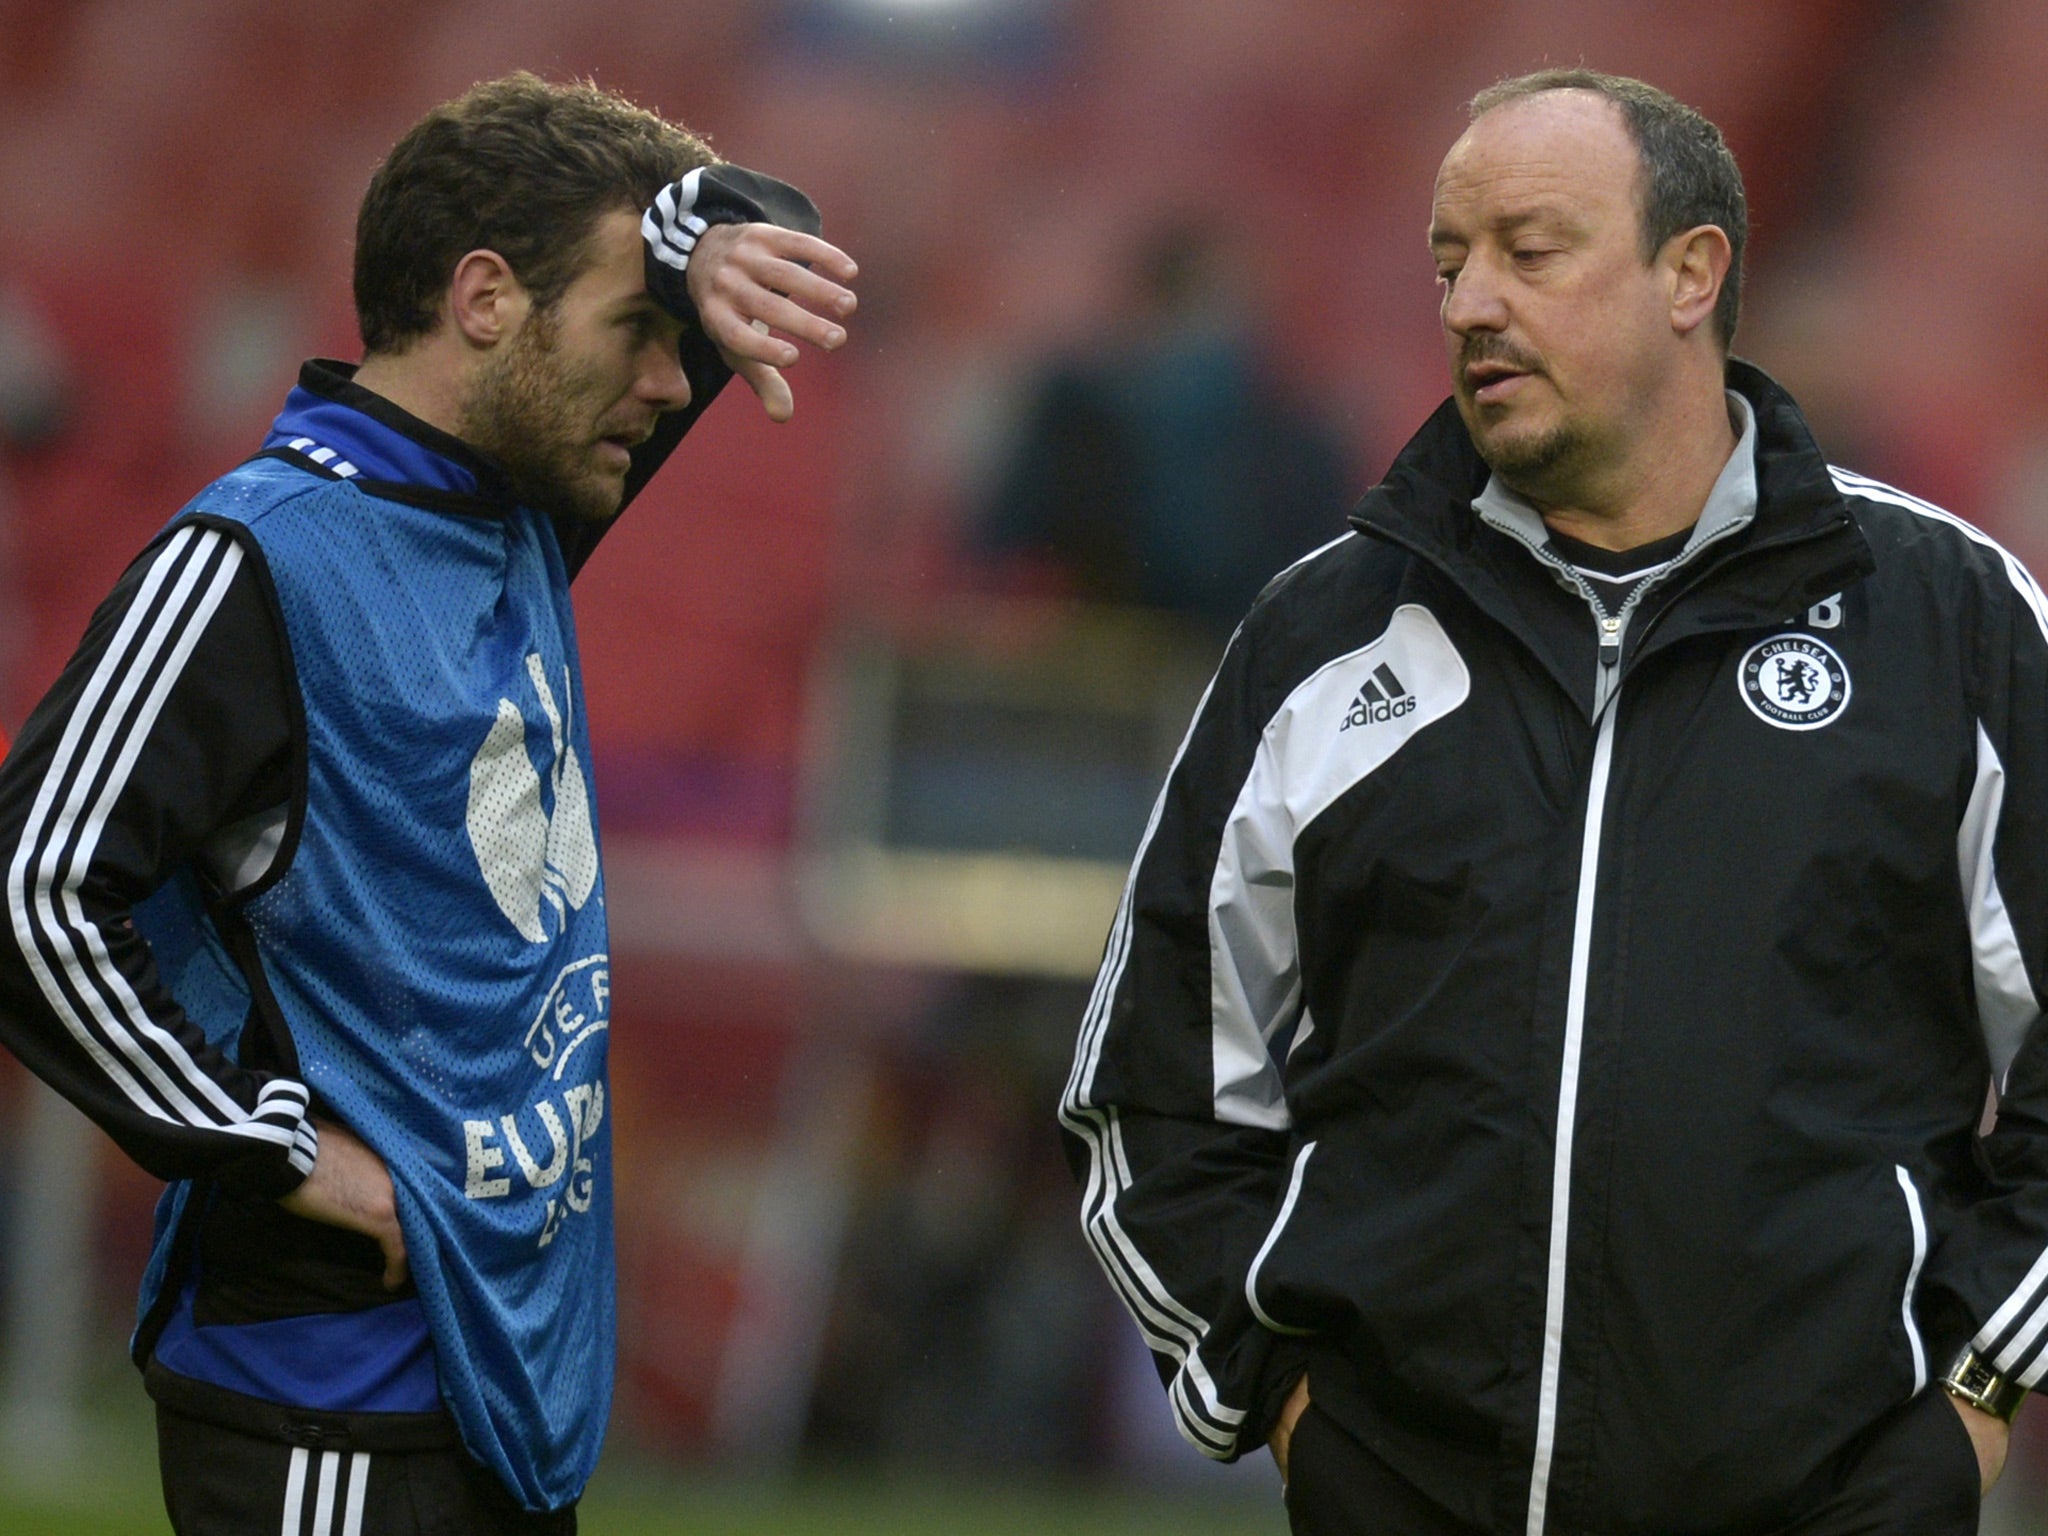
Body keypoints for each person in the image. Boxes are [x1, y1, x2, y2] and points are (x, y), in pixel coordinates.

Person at [1061, 68, 2042, 1535]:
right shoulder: (1321, 639)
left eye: (1530, 251)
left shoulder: (1950, 624)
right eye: (1450, 262)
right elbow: (1154, 1086)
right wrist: (1283, 1409)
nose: (1468, 304)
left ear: (1690, 275)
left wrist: (1962, 1406)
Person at [0, 72, 856, 1533]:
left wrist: (689, 243)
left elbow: (777, 231)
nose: (670, 381)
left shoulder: (516, 506)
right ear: (484, 300)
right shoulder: (257, 558)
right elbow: (31, 883)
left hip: (497, 1364)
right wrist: (269, 1145)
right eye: (637, 330)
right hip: (333, 1388)